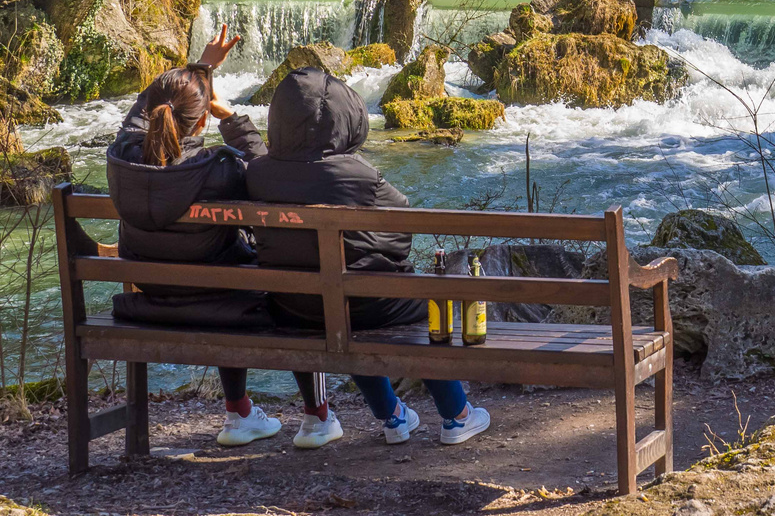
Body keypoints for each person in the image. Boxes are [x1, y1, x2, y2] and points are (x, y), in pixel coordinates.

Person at [245, 67, 490, 448]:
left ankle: (393, 416)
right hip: (368, 306)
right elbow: (401, 230)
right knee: (400, 300)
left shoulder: (257, 175)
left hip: (292, 308)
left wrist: (233, 123)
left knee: (339, 303)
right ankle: (457, 416)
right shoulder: (361, 177)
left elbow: (256, 158)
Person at [105, 26, 324, 448]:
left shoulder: (122, 159)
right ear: (204, 118)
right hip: (224, 301)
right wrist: (233, 118)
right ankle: (316, 417)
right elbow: (270, 179)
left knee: (225, 271)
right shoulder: (218, 171)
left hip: (148, 297)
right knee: (295, 284)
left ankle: (239, 413)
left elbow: (143, 108)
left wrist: (199, 70)